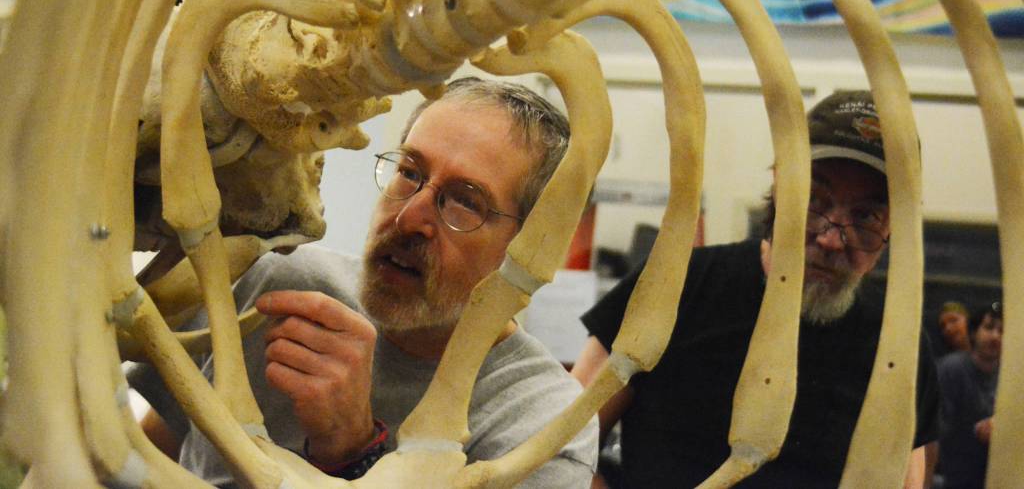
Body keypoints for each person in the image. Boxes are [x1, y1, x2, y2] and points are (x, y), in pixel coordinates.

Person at [129, 77, 598, 487]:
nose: (410, 216)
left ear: (531, 247)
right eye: (409, 172)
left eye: (464, 202)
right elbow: (147, 456)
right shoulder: (274, 286)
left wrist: (350, 448)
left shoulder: (542, 423)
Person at [572, 90, 940, 488]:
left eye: (865, 216)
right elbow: (564, 440)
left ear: (894, 227)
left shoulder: (897, 345)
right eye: (815, 199)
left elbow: (906, 480)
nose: (832, 239)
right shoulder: (675, 287)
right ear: (780, 182)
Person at [935, 301, 1002, 489]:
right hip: (960, 479)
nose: (995, 336)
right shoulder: (951, 369)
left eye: (1002, 331)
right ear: (973, 332)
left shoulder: (1013, 375)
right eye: (989, 328)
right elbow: (936, 430)